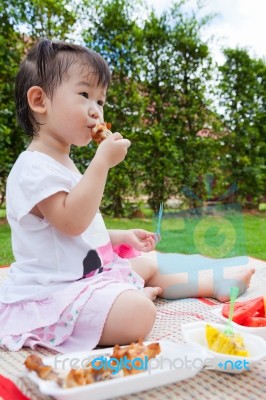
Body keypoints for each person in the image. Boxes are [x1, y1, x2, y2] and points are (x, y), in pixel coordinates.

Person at [0, 39, 254, 353]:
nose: (96, 110)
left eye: (101, 100)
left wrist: (121, 235)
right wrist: (101, 162)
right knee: (139, 313)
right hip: (56, 292)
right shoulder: (33, 168)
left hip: (85, 276)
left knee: (147, 264)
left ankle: (215, 286)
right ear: (40, 101)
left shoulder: (62, 163)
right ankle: (126, 302)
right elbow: (70, 222)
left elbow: (69, 236)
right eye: (84, 95)